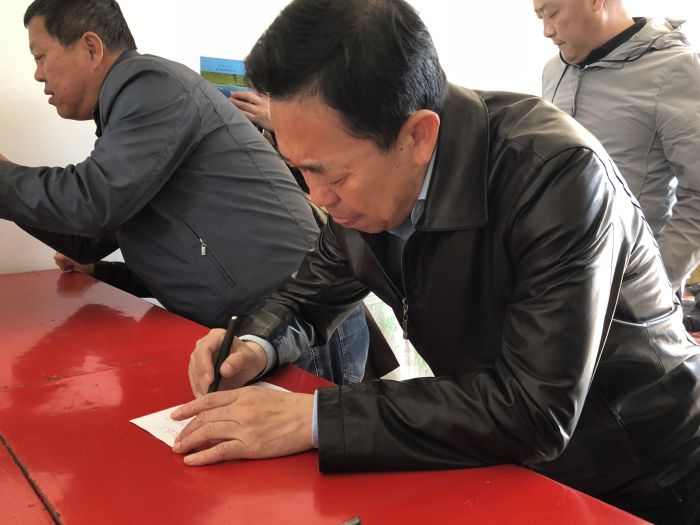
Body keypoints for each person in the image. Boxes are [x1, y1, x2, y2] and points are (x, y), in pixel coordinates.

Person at [173, 0, 700, 522]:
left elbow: (534, 408)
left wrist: (313, 418)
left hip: (644, 471)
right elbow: (308, 295)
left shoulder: (554, 175)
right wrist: (253, 344)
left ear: (418, 136)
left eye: (330, 175)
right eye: (301, 171)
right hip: (516, 466)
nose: (318, 197)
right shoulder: (367, 185)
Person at [0, 0, 371, 385]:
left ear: (91, 47)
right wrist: (101, 270)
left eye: (40, 57)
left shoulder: (149, 84)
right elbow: (86, 236)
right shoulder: (130, 116)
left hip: (293, 324)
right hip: (258, 328)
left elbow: (92, 203)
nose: (38, 75)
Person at [536, 1, 700, 310]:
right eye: (539, 16)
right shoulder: (553, 70)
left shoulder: (676, 69)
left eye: (553, 12)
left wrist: (651, 286)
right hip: (558, 287)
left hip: (634, 302)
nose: (546, 30)